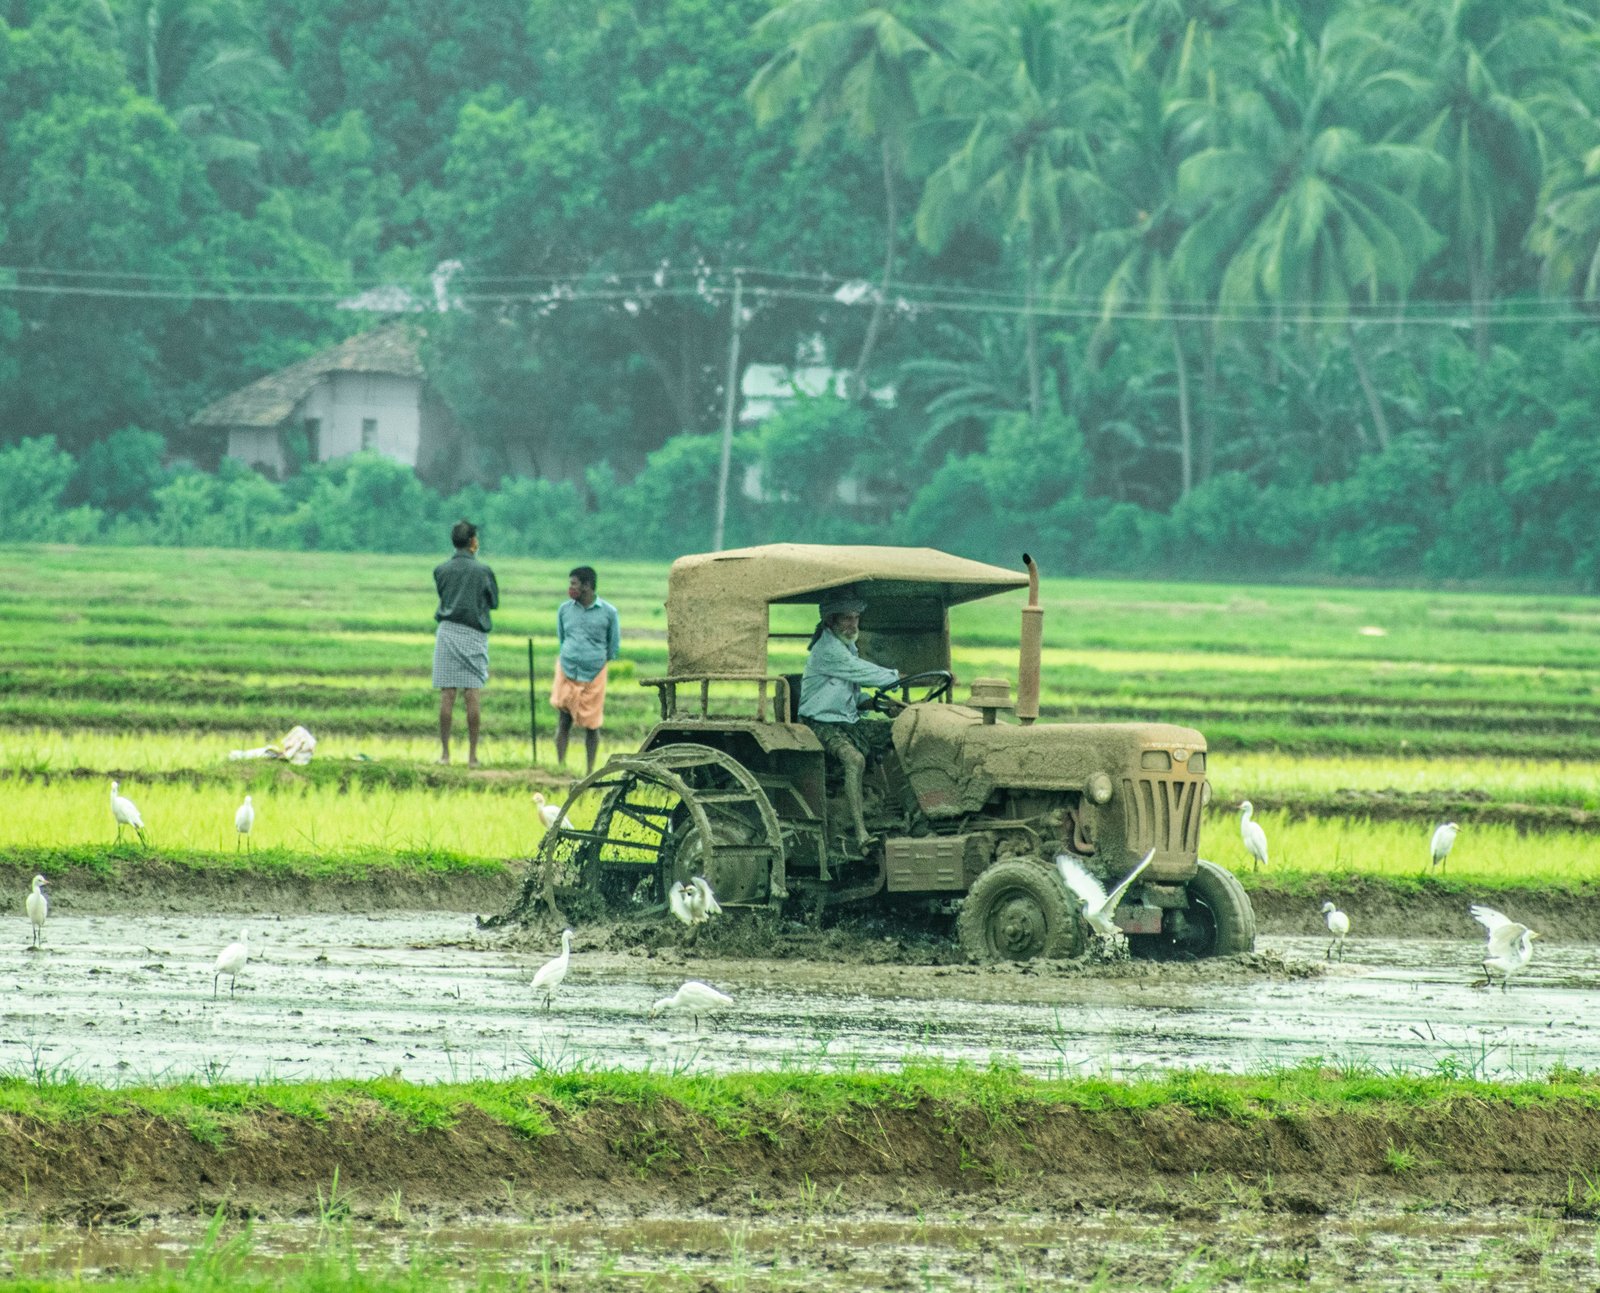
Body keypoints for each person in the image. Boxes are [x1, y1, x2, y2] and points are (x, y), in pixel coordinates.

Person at [798, 590, 902, 855]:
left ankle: (899, 811)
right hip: (819, 723)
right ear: (830, 621)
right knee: (854, 759)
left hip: (848, 722)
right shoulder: (828, 651)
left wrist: (882, 704)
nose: (853, 624)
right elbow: (866, 674)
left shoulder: (847, 647)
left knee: (903, 732)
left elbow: (853, 697)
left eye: (856, 618)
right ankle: (861, 834)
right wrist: (902, 678)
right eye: (846, 618)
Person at [432, 520, 498, 767]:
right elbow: (493, 602)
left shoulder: (441, 570)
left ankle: (445, 755)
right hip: (474, 634)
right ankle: (472, 757)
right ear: (472, 542)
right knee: (472, 694)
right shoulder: (484, 571)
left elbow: (443, 596)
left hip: (447, 632)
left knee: (447, 695)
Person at [551, 565, 620, 775]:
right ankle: (560, 767)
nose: (570, 588)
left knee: (592, 725)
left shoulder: (609, 612)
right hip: (567, 670)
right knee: (563, 720)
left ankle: (590, 771)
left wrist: (594, 660)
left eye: (574, 583)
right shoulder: (564, 610)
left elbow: (613, 647)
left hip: (594, 674)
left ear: (587, 586)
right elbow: (563, 638)